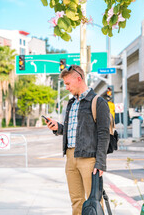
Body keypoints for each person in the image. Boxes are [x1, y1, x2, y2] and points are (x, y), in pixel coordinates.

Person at [46, 65, 110, 215]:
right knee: (76, 201)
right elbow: (74, 130)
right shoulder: (71, 103)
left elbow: (103, 133)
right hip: (70, 157)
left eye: (68, 84)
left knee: (94, 202)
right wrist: (58, 128)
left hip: (89, 159)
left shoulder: (97, 102)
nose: (66, 88)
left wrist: (100, 162)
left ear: (79, 79)